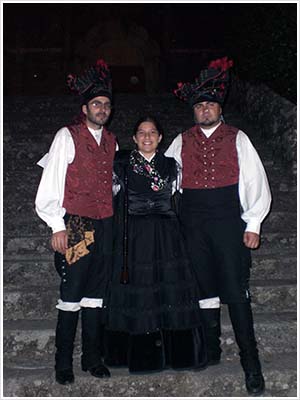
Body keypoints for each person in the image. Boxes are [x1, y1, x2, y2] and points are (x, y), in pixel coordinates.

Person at [165, 57, 272, 396]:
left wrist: (253, 222)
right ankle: (211, 350)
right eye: (200, 106)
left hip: (228, 220)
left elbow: (256, 181)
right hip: (193, 221)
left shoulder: (238, 137)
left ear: (219, 108)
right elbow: (165, 179)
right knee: (202, 289)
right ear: (194, 111)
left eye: (211, 104)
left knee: (237, 292)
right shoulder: (181, 141)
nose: (206, 109)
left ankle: (250, 364)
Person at [35, 59, 118, 385]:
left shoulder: (110, 140)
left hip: (106, 224)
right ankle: (63, 364)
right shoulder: (67, 136)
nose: (102, 109)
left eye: (107, 105)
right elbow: (52, 181)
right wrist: (57, 225)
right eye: (96, 104)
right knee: (72, 293)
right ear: (85, 108)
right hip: (78, 224)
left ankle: (92, 359)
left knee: (96, 294)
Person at [105, 116, 207, 374]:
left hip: (166, 237)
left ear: (161, 138)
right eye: (141, 132)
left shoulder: (173, 166)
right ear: (134, 137)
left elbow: (180, 200)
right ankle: (139, 356)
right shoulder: (120, 165)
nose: (147, 137)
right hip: (134, 238)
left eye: (152, 132)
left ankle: (180, 356)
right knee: (138, 292)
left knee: (170, 291)